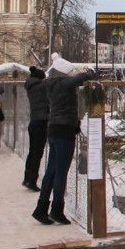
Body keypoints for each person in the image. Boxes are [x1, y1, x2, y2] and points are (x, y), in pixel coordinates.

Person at [32, 53, 96, 225]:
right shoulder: (62, 84)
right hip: (64, 130)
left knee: (51, 170)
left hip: (54, 129)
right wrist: (90, 72)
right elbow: (80, 79)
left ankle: (41, 208)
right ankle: (57, 209)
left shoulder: (50, 84)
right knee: (61, 172)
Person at [22, 66, 48, 191]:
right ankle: (32, 181)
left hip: (34, 122)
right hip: (41, 122)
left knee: (32, 152)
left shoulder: (31, 87)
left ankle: (27, 178)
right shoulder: (41, 88)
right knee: (38, 153)